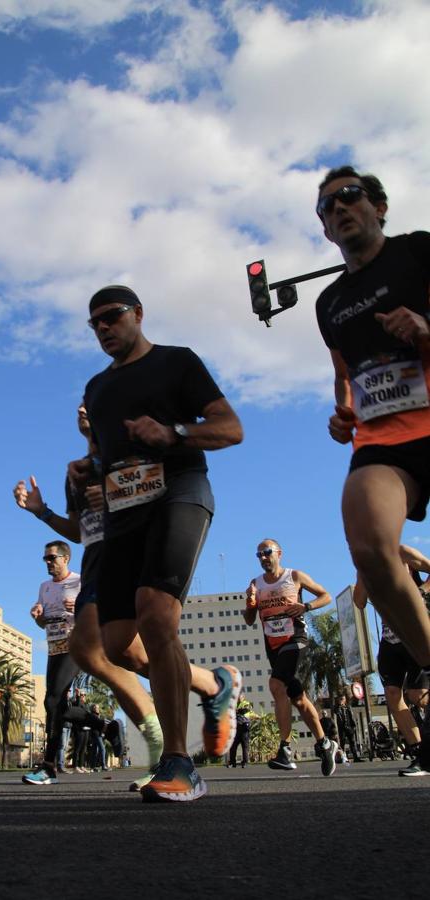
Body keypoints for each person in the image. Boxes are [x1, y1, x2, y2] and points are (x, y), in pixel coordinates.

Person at [71, 285, 244, 803]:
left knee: (156, 613)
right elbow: (105, 456)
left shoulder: (177, 363)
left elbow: (230, 428)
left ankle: (178, 762)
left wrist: (174, 432)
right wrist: (88, 468)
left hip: (181, 492)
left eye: (112, 317)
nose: (104, 327)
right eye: (94, 322)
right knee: (119, 642)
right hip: (125, 510)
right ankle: (213, 684)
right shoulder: (96, 388)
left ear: (138, 315)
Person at [315, 165, 430, 772]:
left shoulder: (419, 252)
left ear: (379, 206)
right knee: (367, 545)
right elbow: (344, 377)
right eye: (326, 208)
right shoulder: (329, 302)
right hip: (384, 439)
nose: (337, 210)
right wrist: (344, 415)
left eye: (348, 197)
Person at [14, 402, 163, 791]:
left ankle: (164, 750)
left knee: (105, 652)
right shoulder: (76, 471)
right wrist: (41, 511)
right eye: (77, 404)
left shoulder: (129, 453)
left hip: (131, 560)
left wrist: (115, 498)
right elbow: (80, 531)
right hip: (97, 564)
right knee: (113, 655)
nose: (81, 408)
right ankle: (207, 686)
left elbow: (159, 502)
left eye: (90, 403)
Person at [243, 538, 338, 776]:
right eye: (259, 555)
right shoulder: (256, 583)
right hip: (273, 646)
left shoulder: (294, 576)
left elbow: (326, 595)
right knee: (298, 698)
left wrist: (306, 607)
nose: (264, 557)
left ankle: (284, 750)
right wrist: (250, 602)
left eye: (267, 552)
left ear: (279, 553)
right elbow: (248, 619)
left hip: (296, 641)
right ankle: (325, 743)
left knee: (276, 685)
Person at [353, 544, 430, 775]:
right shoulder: (364, 564)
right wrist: (363, 574)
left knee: (417, 696)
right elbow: (359, 602)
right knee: (393, 695)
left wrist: (423, 591)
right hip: (389, 638)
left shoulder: (402, 552)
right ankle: (419, 752)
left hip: (414, 632)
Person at [22, 541, 81, 784]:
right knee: (56, 707)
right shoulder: (44, 587)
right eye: (45, 558)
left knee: (53, 699)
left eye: (52, 558)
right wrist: (38, 616)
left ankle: (48, 766)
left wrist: (79, 607)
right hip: (53, 648)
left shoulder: (80, 581)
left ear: (65, 558)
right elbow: (43, 624)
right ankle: (103, 725)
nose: (47, 562)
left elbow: (96, 612)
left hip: (77, 644)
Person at [334, 695, 362, 762]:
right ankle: (343, 758)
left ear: (345, 700)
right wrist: (339, 705)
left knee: (352, 742)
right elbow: (335, 712)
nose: (342, 700)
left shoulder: (348, 707)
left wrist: (354, 726)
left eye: (343, 699)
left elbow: (351, 716)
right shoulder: (337, 708)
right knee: (342, 743)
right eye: (340, 699)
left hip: (349, 727)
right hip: (342, 728)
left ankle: (356, 757)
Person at [227, 695, 252, 768]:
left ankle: (245, 762)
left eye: (240, 696)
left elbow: (246, 710)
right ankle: (232, 762)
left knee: (245, 746)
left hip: (244, 728)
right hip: (236, 729)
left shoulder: (246, 703)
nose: (238, 697)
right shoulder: (233, 703)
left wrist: (236, 710)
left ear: (243, 697)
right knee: (233, 746)